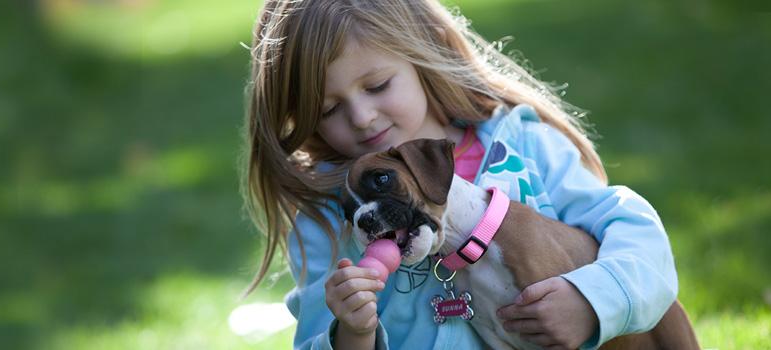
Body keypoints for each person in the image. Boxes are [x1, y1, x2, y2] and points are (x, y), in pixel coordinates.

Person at [239, 0, 679, 349]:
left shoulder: (522, 145)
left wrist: (593, 301)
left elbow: (637, 235)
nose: (362, 117)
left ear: (423, 52)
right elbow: (315, 339)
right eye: (330, 110)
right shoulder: (328, 217)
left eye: (376, 86)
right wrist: (352, 333)